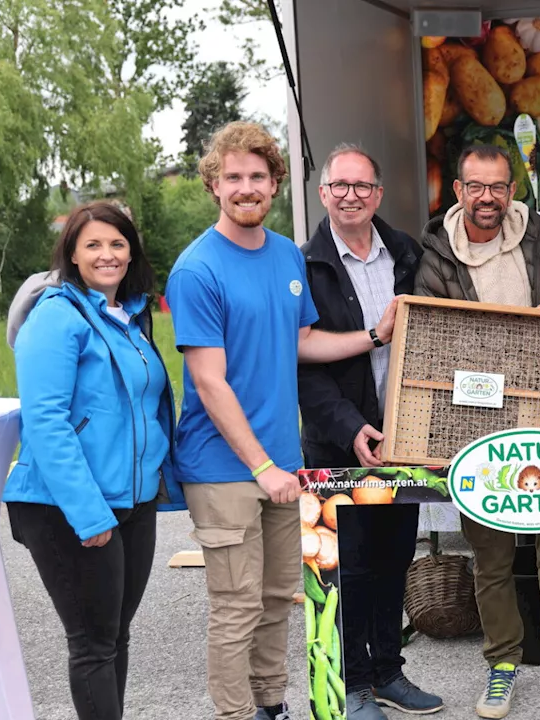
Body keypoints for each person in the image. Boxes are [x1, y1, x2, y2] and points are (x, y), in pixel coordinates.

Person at [166, 121, 397, 720]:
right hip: (225, 467)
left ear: (276, 184)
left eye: (259, 176)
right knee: (236, 604)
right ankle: (238, 714)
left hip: (282, 464)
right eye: (234, 177)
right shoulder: (197, 270)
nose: (247, 187)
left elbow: (303, 343)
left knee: (274, 599)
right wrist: (264, 465)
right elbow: (210, 382)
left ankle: (271, 704)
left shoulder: (285, 256)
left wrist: (374, 335)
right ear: (214, 185)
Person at [416, 143, 540, 719]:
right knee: (490, 551)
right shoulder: (436, 250)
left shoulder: (536, 237)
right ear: (458, 191)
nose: (488, 197)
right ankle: (502, 662)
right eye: (477, 186)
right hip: (472, 421)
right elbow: (433, 333)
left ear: (511, 190)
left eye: (498, 186)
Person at [4, 201, 186, 720]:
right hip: (70, 510)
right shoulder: (56, 316)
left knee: (113, 637)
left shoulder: (127, 317)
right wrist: (89, 514)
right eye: (93, 245)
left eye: (117, 244)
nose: (107, 254)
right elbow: (46, 424)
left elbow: (145, 407)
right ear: (73, 254)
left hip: (133, 502)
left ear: (131, 253)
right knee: (92, 645)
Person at [297, 144, 442, 719]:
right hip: (341, 444)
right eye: (340, 186)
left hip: (402, 440)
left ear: (378, 194)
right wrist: (352, 427)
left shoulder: (406, 253)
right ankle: (352, 682)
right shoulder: (304, 264)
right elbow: (304, 366)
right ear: (323, 193)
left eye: (363, 186)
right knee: (348, 570)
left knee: (393, 559)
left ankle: (388, 671)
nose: (351, 195)